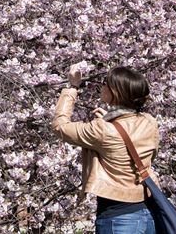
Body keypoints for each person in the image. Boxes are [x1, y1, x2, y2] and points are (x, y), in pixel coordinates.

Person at [51, 64, 159, 234]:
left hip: (118, 219)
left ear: (114, 92)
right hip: (147, 213)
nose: (101, 86)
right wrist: (109, 120)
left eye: (104, 82)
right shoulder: (149, 121)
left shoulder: (102, 130)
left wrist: (72, 87)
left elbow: (60, 127)